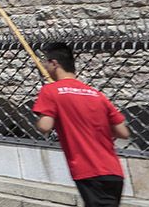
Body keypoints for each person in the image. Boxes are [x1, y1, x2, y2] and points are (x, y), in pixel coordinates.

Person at [33, 42, 131, 207]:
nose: (44, 66)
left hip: (88, 169)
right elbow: (123, 132)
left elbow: (45, 126)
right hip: (113, 171)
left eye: (45, 62)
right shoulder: (96, 94)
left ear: (54, 63)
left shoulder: (51, 91)